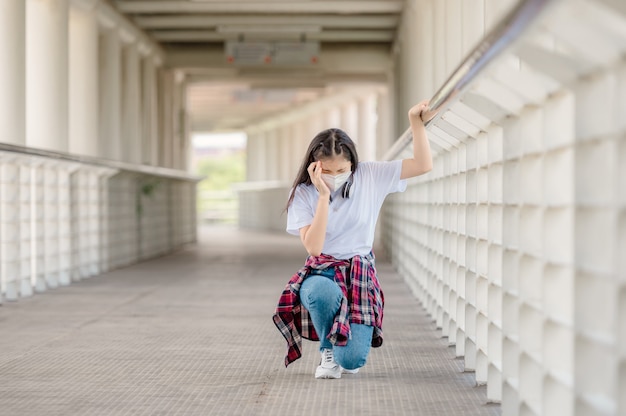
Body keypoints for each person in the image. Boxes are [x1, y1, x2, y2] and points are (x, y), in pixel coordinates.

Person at [272, 100, 433, 379]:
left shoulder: (370, 175)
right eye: (327, 171)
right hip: (323, 272)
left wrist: (415, 122)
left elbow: (422, 165)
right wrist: (323, 196)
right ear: (314, 166)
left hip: (359, 272)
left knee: (352, 361)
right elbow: (314, 247)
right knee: (321, 294)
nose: (335, 177)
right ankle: (327, 350)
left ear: (353, 164)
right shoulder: (304, 193)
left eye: (341, 170)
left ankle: (344, 351)